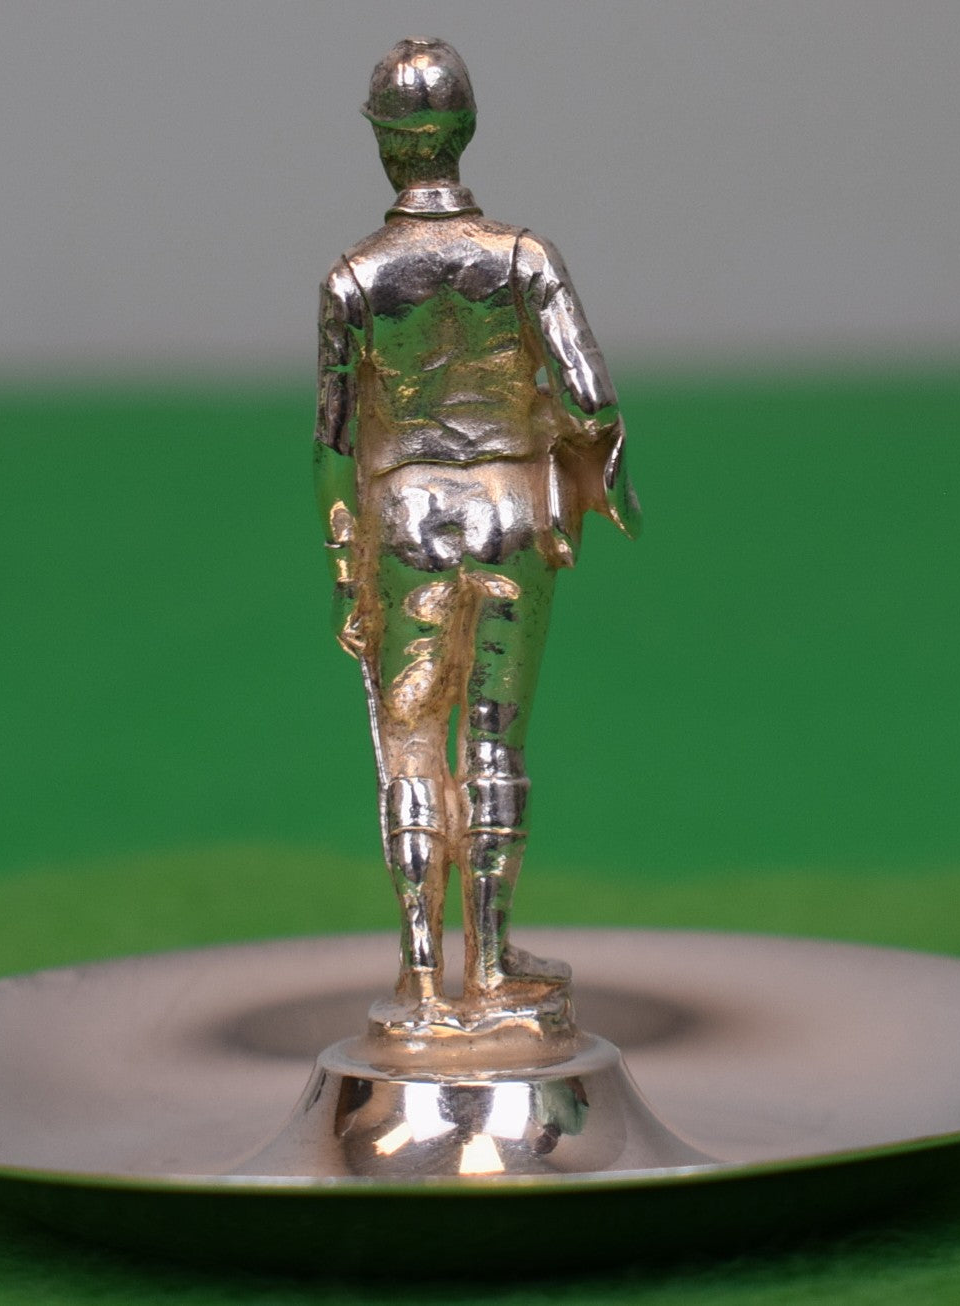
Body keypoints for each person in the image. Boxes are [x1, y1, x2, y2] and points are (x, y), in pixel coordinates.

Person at [314, 38, 640, 1032]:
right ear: (465, 131)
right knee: (494, 736)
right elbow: (591, 396)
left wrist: (347, 571)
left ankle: (421, 975)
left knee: (411, 740)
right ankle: (492, 966)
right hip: (507, 507)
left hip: (404, 514)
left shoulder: (354, 280)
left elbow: (334, 442)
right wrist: (583, 474)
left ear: (382, 141)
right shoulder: (521, 258)